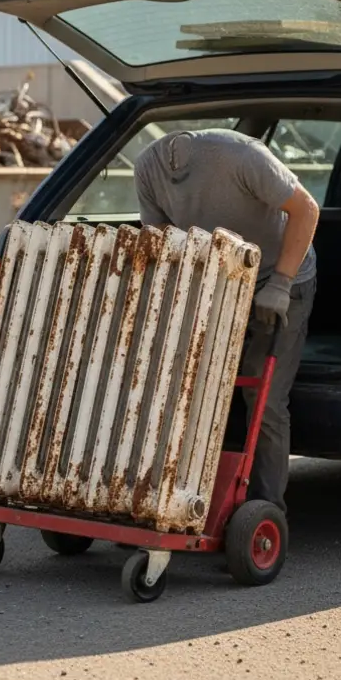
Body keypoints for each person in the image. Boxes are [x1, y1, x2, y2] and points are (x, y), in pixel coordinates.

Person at [134, 128, 319, 514]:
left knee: (264, 396)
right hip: (220, 279)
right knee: (194, 388)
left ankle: (265, 510)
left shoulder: (241, 156)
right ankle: (188, 500)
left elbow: (307, 210)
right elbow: (164, 245)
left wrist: (281, 284)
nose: (177, 176)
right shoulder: (147, 168)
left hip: (280, 273)